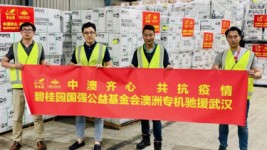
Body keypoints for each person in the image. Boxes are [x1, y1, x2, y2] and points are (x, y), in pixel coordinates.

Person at [212, 26, 262, 150]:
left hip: (242, 97)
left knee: (242, 124)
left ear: (240, 37)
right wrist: (215, 70)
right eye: (230, 37)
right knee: (223, 121)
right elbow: (214, 68)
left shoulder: (250, 55)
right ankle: (222, 145)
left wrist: (253, 74)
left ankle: (243, 148)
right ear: (227, 39)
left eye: (235, 36)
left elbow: (259, 74)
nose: (233, 39)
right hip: (225, 94)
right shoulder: (222, 55)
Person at [1, 22, 48, 150]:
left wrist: (46, 64)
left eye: (29, 29)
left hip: (34, 86)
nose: (27, 31)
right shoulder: (15, 47)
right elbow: (3, 62)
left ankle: (40, 140)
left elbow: (42, 62)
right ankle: (16, 141)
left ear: (34, 32)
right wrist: (14, 65)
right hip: (19, 87)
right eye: (24, 29)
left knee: (37, 115)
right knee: (17, 116)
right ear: (21, 32)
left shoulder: (39, 47)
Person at [68, 22, 112, 150]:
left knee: (99, 114)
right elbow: (70, 65)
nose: (89, 35)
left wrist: (103, 67)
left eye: (91, 32)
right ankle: (80, 139)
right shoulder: (78, 50)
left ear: (96, 33)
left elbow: (110, 65)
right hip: (81, 87)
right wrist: (74, 67)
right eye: (86, 33)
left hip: (97, 86)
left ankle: (97, 141)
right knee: (80, 114)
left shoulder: (102, 49)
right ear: (83, 35)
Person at [130, 25, 172, 150]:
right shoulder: (137, 51)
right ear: (142, 36)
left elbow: (167, 66)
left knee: (156, 118)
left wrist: (169, 68)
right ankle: (145, 139)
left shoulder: (161, 50)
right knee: (143, 116)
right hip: (142, 90)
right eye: (146, 35)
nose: (148, 38)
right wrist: (130, 68)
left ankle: (158, 143)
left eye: (150, 35)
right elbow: (133, 66)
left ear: (154, 35)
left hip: (156, 90)